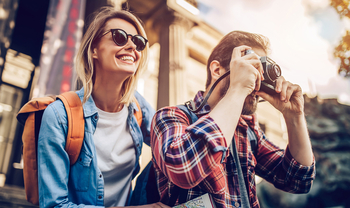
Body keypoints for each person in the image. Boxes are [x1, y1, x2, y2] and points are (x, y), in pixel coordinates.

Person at [150, 31, 316, 208]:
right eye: (251, 69)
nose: (256, 81)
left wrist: (294, 117)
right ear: (217, 70)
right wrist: (238, 88)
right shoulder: (171, 116)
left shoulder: (248, 131)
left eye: (261, 72)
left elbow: (298, 180)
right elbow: (183, 168)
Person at [37, 6, 169, 208]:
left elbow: (176, 150)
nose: (132, 47)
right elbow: (54, 205)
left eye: (138, 42)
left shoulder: (138, 107)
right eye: (119, 37)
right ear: (94, 49)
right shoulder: (59, 115)